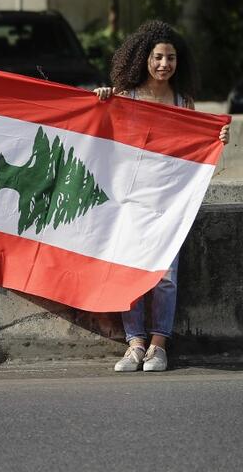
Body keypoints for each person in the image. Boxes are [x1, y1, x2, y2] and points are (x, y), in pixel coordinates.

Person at [95, 20, 229, 373]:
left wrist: (217, 137)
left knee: (165, 276)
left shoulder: (183, 102)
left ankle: (158, 345)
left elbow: (193, 147)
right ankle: (134, 342)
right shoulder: (126, 97)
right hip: (132, 201)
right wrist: (103, 99)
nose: (163, 64)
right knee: (131, 270)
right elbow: (100, 131)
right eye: (157, 57)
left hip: (169, 204)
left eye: (170, 58)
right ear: (144, 59)